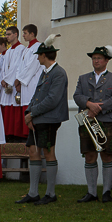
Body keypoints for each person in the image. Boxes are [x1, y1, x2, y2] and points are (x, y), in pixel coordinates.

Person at [17, 35, 68, 205]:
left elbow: (52, 100)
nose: (37, 58)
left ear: (44, 56)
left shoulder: (59, 73)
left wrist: (33, 114)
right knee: (33, 151)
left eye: (39, 55)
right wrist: (29, 111)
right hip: (38, 118)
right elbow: (37, 95)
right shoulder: (45, 72)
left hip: (49, 119)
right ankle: (33, 192)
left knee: (48, 152)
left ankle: (51, 193)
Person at [73, 46, 112, 203]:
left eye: (99, 58)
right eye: (94, 58)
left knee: (107, 155)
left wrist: (96, 108)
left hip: (107, 121)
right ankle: (92, 192)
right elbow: (77, 96)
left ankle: (107, 192)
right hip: (87, 121)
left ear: (107, 61)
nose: (96, 61)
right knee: (89, 155)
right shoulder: (83, 78)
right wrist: (89, 104)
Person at [14, 24, 44, 134]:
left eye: (25, 33)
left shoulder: (38, 47)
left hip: (32, 81)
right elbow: (20, 65)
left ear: (32, 34)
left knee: (31, 104)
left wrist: (20, 79)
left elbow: (32, 66)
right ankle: (24, 134)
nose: (23, 35)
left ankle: (30, 133)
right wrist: (17, 78)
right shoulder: (27, 49)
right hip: (24, 82)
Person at [2, 26, 27, 141]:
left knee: (14, 108)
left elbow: (17, 67)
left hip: (13, 85)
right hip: (6, 84)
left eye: (9, 34)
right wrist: (2, 78)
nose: (7, 37)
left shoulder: (21, 49)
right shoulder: (8, 51)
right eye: (6, 34)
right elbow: (4, 68)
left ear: (15, 34)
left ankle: (16, 135)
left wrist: (7, 80)